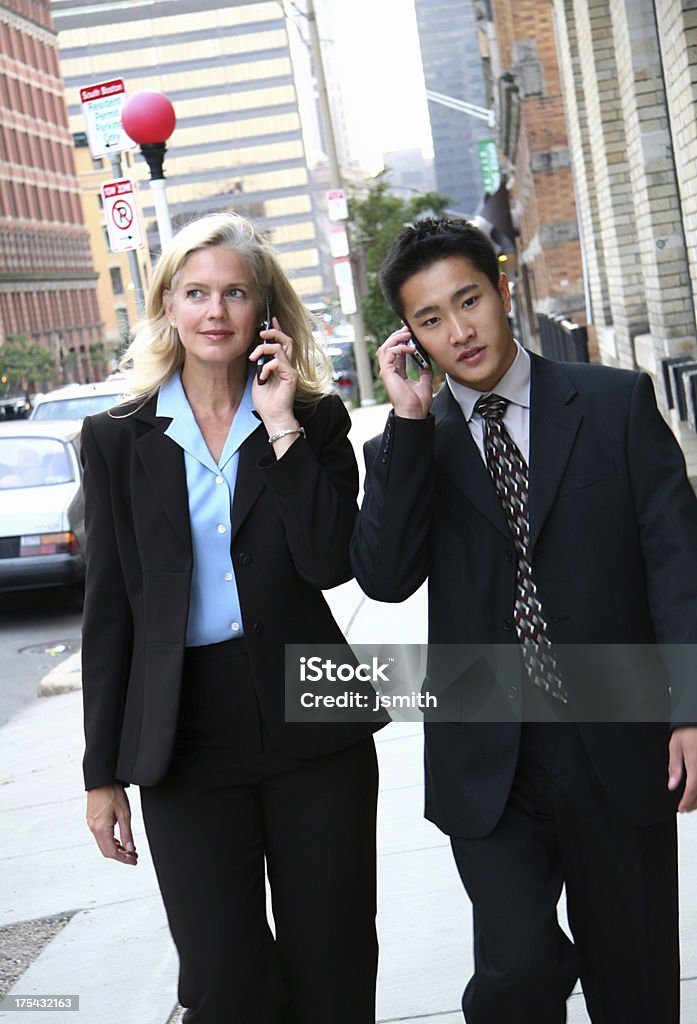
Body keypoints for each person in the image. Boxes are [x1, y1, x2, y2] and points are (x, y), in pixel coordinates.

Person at [350, 216, 697, 1023]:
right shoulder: (412, 443)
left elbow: (675, 564)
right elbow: (386, 576)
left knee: (636, 977)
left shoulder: (615, 403)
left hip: (615, 729)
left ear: (501, 290)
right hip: (488, 752)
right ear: (408, 337)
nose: (458, 330)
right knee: (515, 971)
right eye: (430, 318)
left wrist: (688, 707)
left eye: (467, 300)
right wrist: (404, 421)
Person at [81, 212, 383, 1024]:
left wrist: (279, 421)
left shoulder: (313, 421)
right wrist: (100, 770)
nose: (215, 311)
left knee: (334, 962)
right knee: (222, 978)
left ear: (264, 312)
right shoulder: (116, 439)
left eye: (235, 294)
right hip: (185, 732)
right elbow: (109, 608)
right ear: (169, 306)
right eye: (196, 293)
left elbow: (329, 563)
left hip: (311, 713)